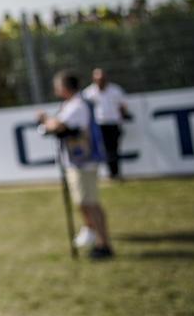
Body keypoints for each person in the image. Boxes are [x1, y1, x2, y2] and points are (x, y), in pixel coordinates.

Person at [38, 71, 115, 260]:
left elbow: (58, 126)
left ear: (64, 88)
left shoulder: (77, 106)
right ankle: (93, 234)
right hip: (78, 161)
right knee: (84, 202)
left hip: (83, 162)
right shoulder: (73, 104)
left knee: (90, 203)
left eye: (57, 86)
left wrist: (45, 120)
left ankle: (103, 244)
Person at [82, 68, 132, 180]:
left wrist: (124, 115)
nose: (101, 81)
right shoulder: (89, 93)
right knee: (103, 149)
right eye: (98, 79)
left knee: (113, 149)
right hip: (99, 125)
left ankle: (115, 173)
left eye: (102, 79)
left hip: (113, 123)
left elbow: (123, 105)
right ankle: (106, 173)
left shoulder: (115, 90)